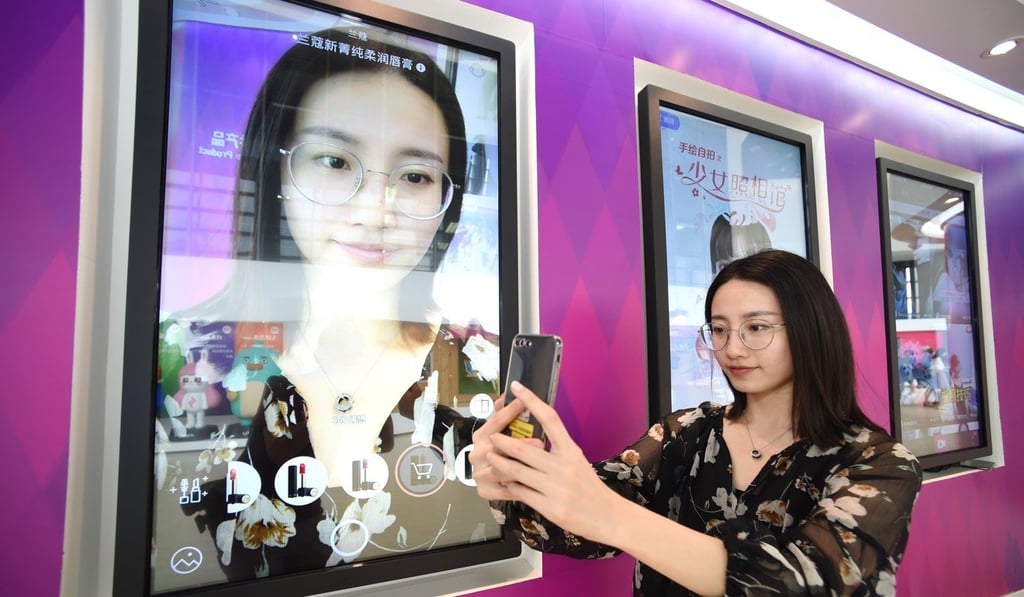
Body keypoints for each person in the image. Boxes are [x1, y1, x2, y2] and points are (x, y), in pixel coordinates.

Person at [175, 29, 493, 580]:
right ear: (276, 171)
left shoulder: (479, 365)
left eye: (415, 175)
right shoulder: (182, 355)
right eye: (335, 160)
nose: (376, 209)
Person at [471, 249, 923, 596]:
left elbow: (805, 582)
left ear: (810, 330)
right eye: (719, 329)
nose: (733, 348)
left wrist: (611, 516)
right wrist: (514, 478)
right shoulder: (686, 432)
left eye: (757, 328)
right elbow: (581, 523)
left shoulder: (879, 465)